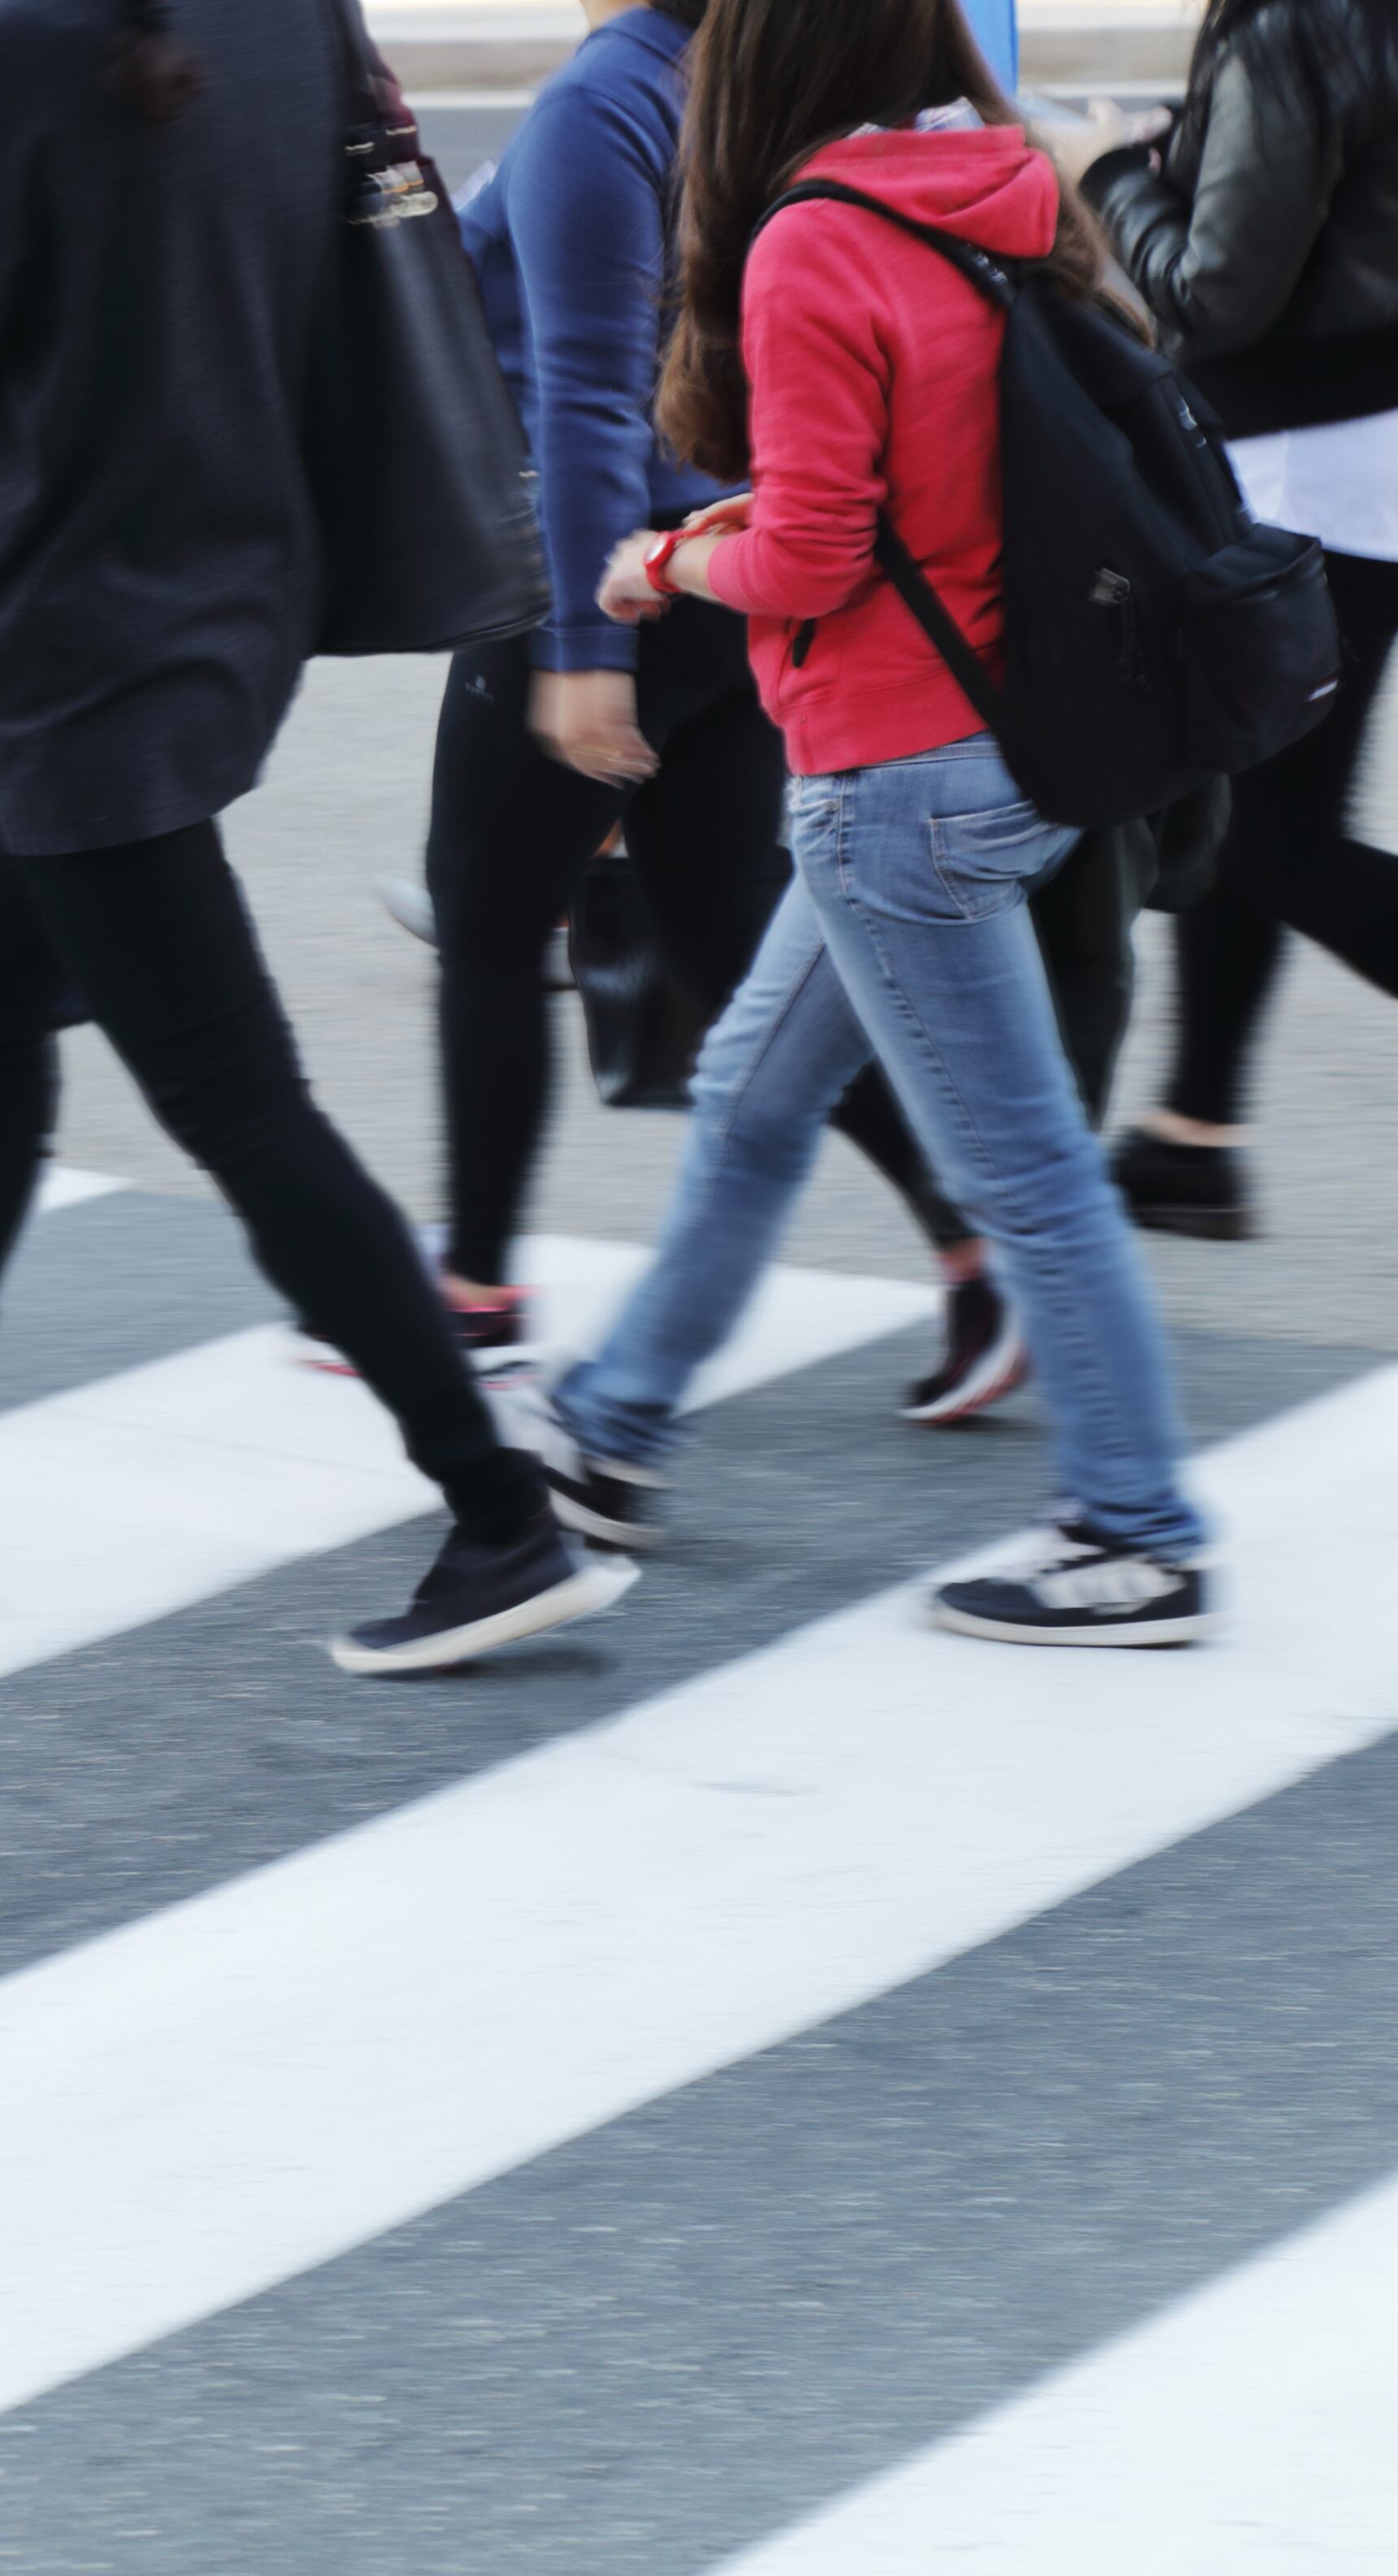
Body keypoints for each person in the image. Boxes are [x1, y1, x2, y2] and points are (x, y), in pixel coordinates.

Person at [0, 0, 634, 1677]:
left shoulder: (20, 38)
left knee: (238, 1102)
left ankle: (499, 1513)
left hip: (81, 623)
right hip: (231, 577)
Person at [503, 0, 1214, 1648]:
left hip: (898, 782)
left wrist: (661, 563)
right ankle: (610, 1425)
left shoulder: (808, 240)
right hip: (1007, 741)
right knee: (752, 1099)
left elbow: (819, 557)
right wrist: (746, 525)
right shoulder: (992, 176)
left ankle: (1138, 1528)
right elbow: (928, 466)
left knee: (1027, 1172)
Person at [428, 0, 1030, 1424]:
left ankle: (474, 1296)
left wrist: (583, 646)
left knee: (488, 924)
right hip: (740, 567)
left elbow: (585, 401)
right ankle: (980, 1253)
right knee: (728, 938)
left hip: (610, 575)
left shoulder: (607, 97)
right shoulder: (766, 75)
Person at [1071, 0, 1398, 1244]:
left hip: (1303, 472)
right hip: (1360, 454)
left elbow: (1216, 297)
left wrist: (1107, 177)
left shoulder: (1295, 29)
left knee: (1271, 839)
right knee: (1256, 802)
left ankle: (1192, 1135)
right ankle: (1194, 1134)